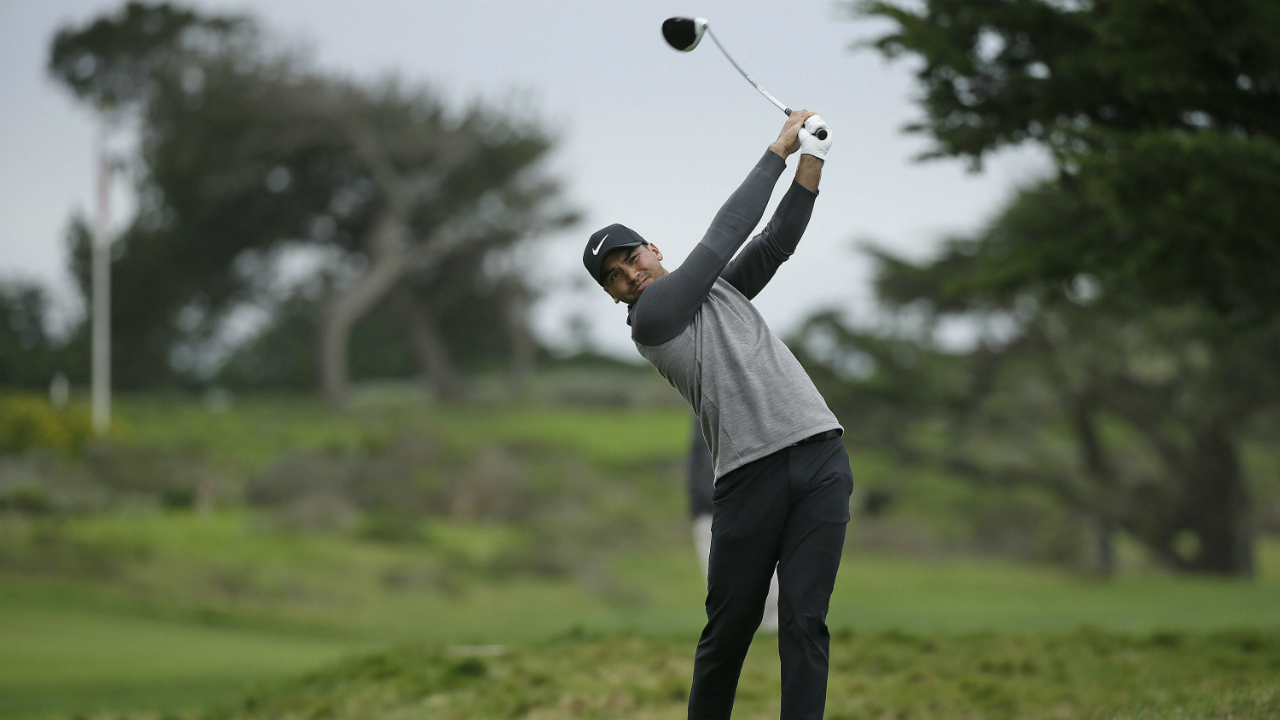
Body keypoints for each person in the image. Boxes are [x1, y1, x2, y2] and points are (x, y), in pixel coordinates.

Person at [582, 110, 851, 720]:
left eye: (631, 258)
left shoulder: (717, 292)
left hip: (820, 454)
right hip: (747, 479)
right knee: (728, 635)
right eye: (615, 278)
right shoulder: (652, 321)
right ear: (613, 296)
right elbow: (725, 234)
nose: (629, 275)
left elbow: (776, 240)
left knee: (805, 622)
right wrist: (778, 148)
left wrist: (814, 156)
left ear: (653, 249)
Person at [687, 416, 779, 633]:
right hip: (709, 509)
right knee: (720, 579)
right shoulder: (702, 413)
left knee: (761, 569)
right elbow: (696, 462)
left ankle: (772, 626)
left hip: (743, 506)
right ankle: (737, 629)